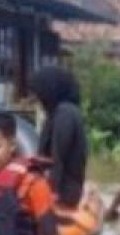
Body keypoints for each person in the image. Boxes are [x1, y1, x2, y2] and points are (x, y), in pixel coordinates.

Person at [28, 66, 87, 211]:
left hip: (63, 192)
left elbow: (57, 159)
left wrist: (49, 196)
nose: (35, 97)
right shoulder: (58, 113)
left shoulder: (64, 113)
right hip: (64, 187)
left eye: (37, 91)